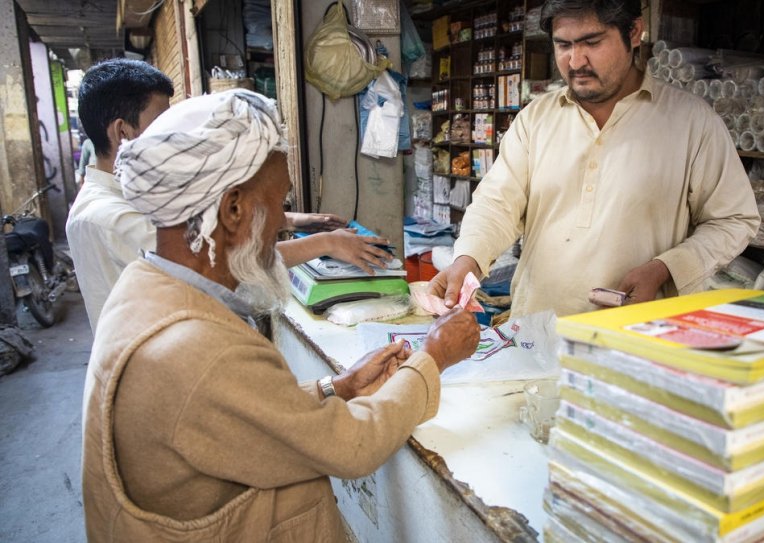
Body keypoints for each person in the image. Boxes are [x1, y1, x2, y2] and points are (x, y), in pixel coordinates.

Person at [82, 89, 481, 541]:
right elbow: (352, 446)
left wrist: (337, 387)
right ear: (233, 209)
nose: (281, 221)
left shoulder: (143, 286)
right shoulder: (196, 345)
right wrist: (434, 356)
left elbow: (233, 417)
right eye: (278, 202)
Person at [429, 0, 760, 318]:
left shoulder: (692, 122)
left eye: (591, 42)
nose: (575, 62)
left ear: (633, 32)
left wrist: (665, 269)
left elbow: (733, 220)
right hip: (539, 331)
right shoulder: (536, 118)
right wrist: (468, 259)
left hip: (636, 337)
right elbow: (497, 204)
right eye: (563, 45)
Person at [67, 58, 391, 333]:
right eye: (161, 120)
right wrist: (327, 243)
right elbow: (216, 255)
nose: (178, 134)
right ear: (122, 132)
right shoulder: (108, 215)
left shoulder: (119, 199)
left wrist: (286, 218)